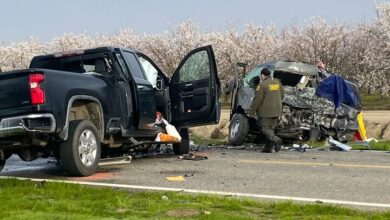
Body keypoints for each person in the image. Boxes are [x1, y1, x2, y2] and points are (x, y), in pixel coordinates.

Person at [247, 68, 284, 153]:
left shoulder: (262, 85)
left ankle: (277, 140)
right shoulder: (278, 83)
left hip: (265, 111)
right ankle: (268, 148)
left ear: (263, 75)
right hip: (277, 110)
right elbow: (282, 95)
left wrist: (250, 113)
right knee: (271, 129)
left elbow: (257, 100)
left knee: (264, 129)